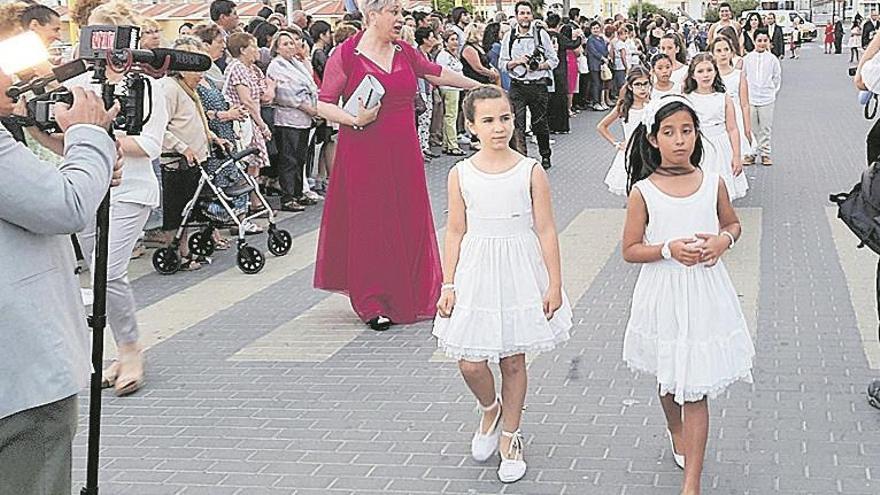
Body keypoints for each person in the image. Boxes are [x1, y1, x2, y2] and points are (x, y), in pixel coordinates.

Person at [433, 85, 572, 484]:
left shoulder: (530, 170)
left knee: (513, 359)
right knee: (470, 360)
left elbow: (546, 229)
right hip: (476, 267)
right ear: (472, 125)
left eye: (505, 118)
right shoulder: (460, 173)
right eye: (489, 121)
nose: (499, 128)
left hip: (519, 266)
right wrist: (448, 283)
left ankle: (510, 435)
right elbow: (455, 230)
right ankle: (490, 408)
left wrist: (554, 284)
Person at [313, 0, 479, 331]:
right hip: (363, 150)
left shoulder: (405, 51)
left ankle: (412, 293)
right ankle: (371, 300)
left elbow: (437, 73)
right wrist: (354, 119)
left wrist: (477, 86)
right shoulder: (346, 54)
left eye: (400, 13)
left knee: (408, 218)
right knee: (371, 223)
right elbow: (323, 104)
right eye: (394, 13)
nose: (400, 20)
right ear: (372, 15)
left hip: (404, 151)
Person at [621, 95, 754, 495]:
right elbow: (629, 250)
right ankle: (673, 427)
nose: (679, 140)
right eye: (669, 132)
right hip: (663, 292)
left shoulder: (712, 182)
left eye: (687, 131)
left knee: (694, 387)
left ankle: (691, 483)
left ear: (697, 135)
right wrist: (666, 249)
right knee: (670, 381)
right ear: (653, 138)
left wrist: (722, 242)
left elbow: (732, 224)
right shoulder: (643, 191)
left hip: (705, 293)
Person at [0, 72, 119, 495]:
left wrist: (91, 164)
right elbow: (64, 206)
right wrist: (89, 137)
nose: (13, 78)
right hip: (19, 377)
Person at [499, 1, 558, 169]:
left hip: (538, 85)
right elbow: (502, 64)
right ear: (516, 16)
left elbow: (554, 60)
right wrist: (517, 62)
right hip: (517, 85)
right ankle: (520, 158)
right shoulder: (509, 36)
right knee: (518, 123)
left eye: (527, 13)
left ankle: (545, 155)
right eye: (522, 13)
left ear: (532, 16)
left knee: (539, 123)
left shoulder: (541, 34)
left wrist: (538, 66)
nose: (525, 16)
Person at [223, 31, 276, 221]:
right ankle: (241, 210)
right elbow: (247, 100)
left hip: (253, 120)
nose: (257, 50)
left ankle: (255, 202)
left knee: (255, 165)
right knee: (245, 164)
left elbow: (265, 96)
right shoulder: (236, 67)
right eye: (253, 46)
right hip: (243, 123)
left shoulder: (253, 69)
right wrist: (262, 125)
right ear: (243, 50)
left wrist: (271, 86)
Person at [683, 53, 748, 201]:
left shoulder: (723, 97)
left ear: (715, 72)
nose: (705, 75)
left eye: (709, 70)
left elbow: (732, 128)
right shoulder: (687, 99)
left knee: (720, 191)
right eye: (700, 71)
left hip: (721, 146)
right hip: (698, 146)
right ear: (693, 75)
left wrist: (737, 156)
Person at [267, 29, 319, 212]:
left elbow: (310, 83)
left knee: (300, 157)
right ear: (277, 48)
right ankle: (287, 196)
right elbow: (286, 94)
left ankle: (298, 192)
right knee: (288, 158)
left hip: (304, 118)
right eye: (285, 44)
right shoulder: (276, 65)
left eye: (292, 43)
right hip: (288, 118)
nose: (290, 47)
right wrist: (309, 108)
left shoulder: (296, 63)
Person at [597, 66, 651, 196]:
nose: (642, 88)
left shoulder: (653, 105)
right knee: (633, 191)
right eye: (638, 84)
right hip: (631, 153)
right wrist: (616, 143)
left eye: (645, 84)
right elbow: (602, 126)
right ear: (631, 87)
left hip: (650, 152)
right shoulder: (623, 106)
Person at [743, 29, 782, 167]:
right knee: (751, 128)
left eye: (765, 40)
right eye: (759, 40)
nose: (762, 43)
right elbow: (743, 78)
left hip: (767, 99)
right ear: (754, 41)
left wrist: (771, 92)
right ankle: (751, 154)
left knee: (765, 128)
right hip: (750, 99)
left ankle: (765, 153)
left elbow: (777, 78)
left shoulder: (772, 59)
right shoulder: (747, 59)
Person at [713, 35, 753, 165]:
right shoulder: (710, 75)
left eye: (726, 50)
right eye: (718, 51)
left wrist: (747, 128)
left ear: (731, 52)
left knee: (735, 158)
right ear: (713, 54)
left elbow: (745, 104)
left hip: (737, 120)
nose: (723, 54)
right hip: (717, 120)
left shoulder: (738, 75)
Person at [436, 30, 466, 156]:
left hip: (455, 87)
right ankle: (452, 144)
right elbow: (446, 73)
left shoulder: (453, 55)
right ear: (445, 42)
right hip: (450, 87)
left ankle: (446, 143)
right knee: (451, 116)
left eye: (456, 39)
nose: (455, 42)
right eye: (452, 40)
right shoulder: (443, 56)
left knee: (450, 115)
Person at [585, 20, 609, 111]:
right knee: (596, 83)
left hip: (602, 64)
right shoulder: (590, 40)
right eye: (594, 28)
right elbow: (593, 51)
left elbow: (605, 49)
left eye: (597, 28)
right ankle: (595, 102)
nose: (596, 30)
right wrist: (603, 58)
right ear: (591, 30)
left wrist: (606, 56)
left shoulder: (601, 39)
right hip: (594, 64)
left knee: (601, 83)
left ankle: (601, 101)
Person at [209, 0, 239, 70]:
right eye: (234, 13)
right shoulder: (211, 35)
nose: (237, 17)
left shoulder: (230, 33)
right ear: (223, 17)